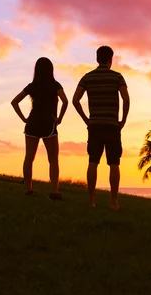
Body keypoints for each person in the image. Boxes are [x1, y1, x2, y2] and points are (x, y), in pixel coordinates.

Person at [72, 46, 130, 210]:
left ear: (97, 59)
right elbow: (126, 99)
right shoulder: (117, 77)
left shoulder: (88, 78)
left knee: (93, 161)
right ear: (110, 59)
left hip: (95, 125)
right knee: (114, 163)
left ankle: (91, 201)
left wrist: (87, 120)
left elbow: (75, 100)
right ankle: (113, 201)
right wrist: (123, 120)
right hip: (112, 125)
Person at [11, 57, 68, 200]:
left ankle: (28, 189)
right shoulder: (55, 85)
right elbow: (65, 101)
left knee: (29, 157)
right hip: (48, 123)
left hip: (33, 123)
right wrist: (59, 118)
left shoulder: (33, 85)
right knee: (53, 159)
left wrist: (24, 118)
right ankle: (54, 191)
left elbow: (14, 102)